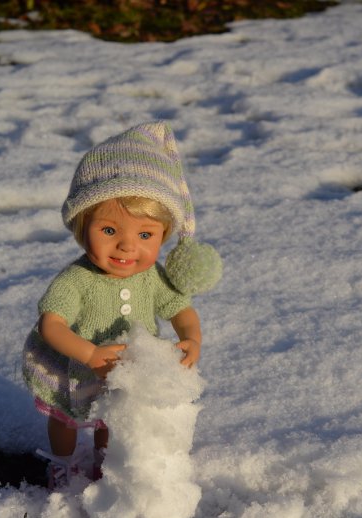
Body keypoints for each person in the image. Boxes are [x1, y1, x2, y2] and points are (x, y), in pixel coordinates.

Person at [22, 121, 222, 489]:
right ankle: (63, 462)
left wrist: (192, 339)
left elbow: (181, 309)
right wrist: (90, 354)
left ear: (164, 235)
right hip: (72, 370)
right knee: (65, 420)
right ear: (82, 226)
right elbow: (51, 325)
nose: (127, 246)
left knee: (113, 419)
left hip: (126, 368)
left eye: (145, 234)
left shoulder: (152, 278)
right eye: (109, 230)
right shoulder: (77, 280)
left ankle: (107, 461)